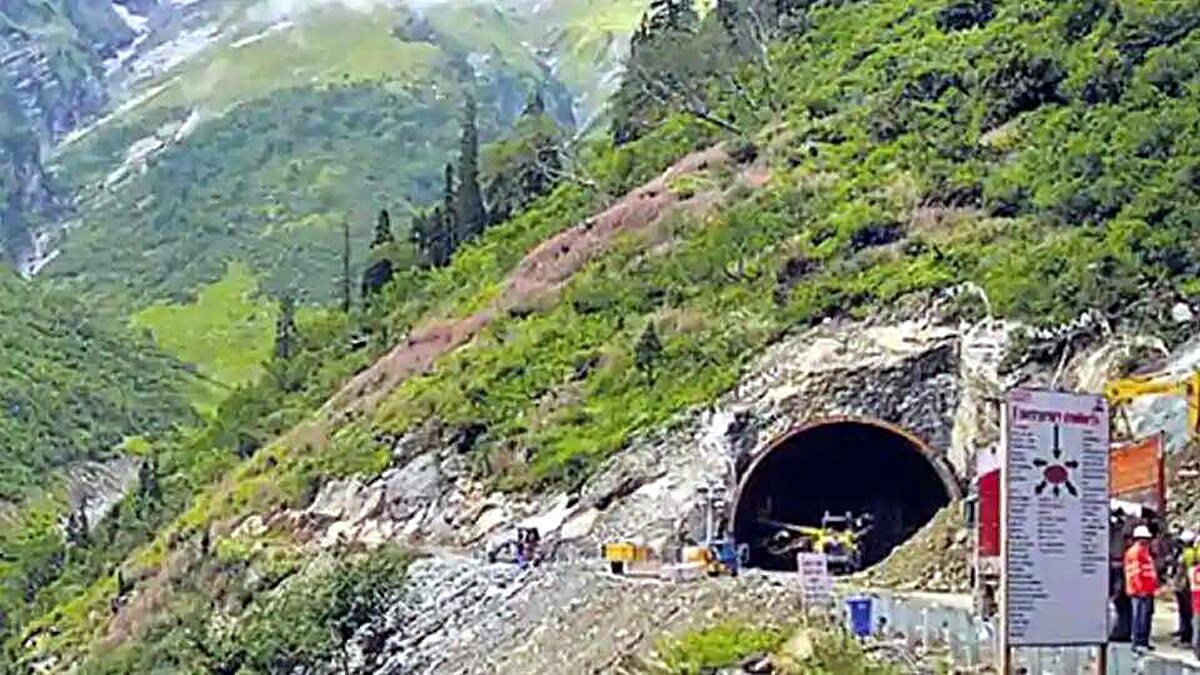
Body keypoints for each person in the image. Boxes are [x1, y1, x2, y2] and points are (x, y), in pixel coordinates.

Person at [1126, 525, 1159, 653]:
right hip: (1139, 591)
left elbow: (1149, 571)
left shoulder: (1145, 551)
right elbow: (1135, 574)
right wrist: (1140, 589)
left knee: (1146, 616)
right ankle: (1137, 642)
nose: (1147, 541)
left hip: (1147, 589)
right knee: (1139, 617)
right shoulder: (1135, 552)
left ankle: (1144, 641)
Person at [1174, 530, 1198, 645]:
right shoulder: (1189, 552)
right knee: (1185, 612)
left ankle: (1186, 636)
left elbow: (1187, 571)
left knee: (1186, 612)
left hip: (1185, 586)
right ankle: (1185, 634)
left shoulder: (1188, 553)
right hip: (1184, 586)